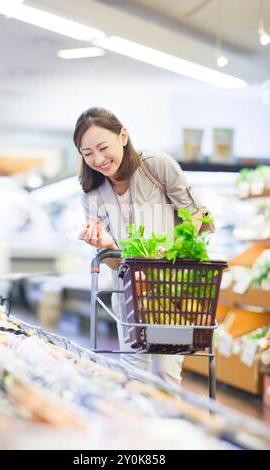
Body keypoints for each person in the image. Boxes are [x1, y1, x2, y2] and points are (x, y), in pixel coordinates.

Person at [75, 107, 212, 387]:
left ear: (123, 136)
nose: (98, 159)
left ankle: (169, 429)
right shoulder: (92, 196)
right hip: (128, 296)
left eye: (103, 147)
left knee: (166, 373)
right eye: (87, 153)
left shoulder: (156, 166)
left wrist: (175, 245)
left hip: (171, 294)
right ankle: (138, 430)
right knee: (133, 374)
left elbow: (198, 213)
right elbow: (116, 264)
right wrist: (106, 246)